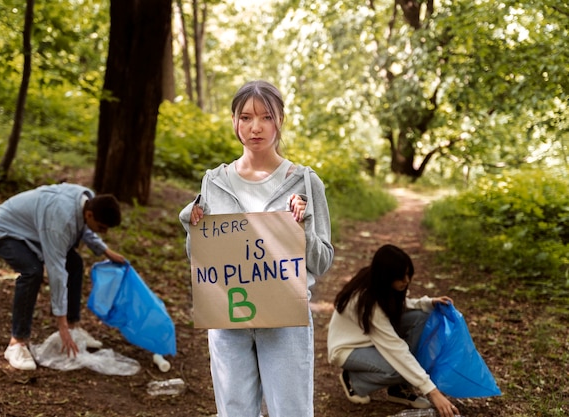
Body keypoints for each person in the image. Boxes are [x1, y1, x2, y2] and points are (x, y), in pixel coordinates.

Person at [179, 80, 334, 417]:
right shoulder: (213, 181)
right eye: (246, 117)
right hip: (227, 320)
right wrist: (192, 228)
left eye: (266, 116)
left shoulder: (306, 182)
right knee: (234, 412)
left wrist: (303, 228)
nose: (256, 127)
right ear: (234, 120)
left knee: (291, 411)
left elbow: (321, 262)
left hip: (286, 321)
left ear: (280, 119)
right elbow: (201, 259)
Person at [0, 183, 126, 371]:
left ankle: (75, 328)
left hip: (34, 232)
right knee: (32, 272)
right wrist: (61, 325)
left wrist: (106, 251)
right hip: (3, 231)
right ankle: (16, 343)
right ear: (90, 214)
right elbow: (56, 271)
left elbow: (86, 230)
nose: (103, 232)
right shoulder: (60, 222)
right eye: (102, 227)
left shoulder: (86, 198)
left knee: (75, 263)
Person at [327, 244, 461, 417]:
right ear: (386, 276)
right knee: (397, 368)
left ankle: (398, 387)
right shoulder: (368, 303)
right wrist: (432, 391)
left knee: (421, 316)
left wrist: (427, 302)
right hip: (348, 348)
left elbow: (396, 306)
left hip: (368, 338)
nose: (406, 280)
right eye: (400, 277)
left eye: (408, 274)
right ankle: (354, 380)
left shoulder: (379, 282)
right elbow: (396, 349)